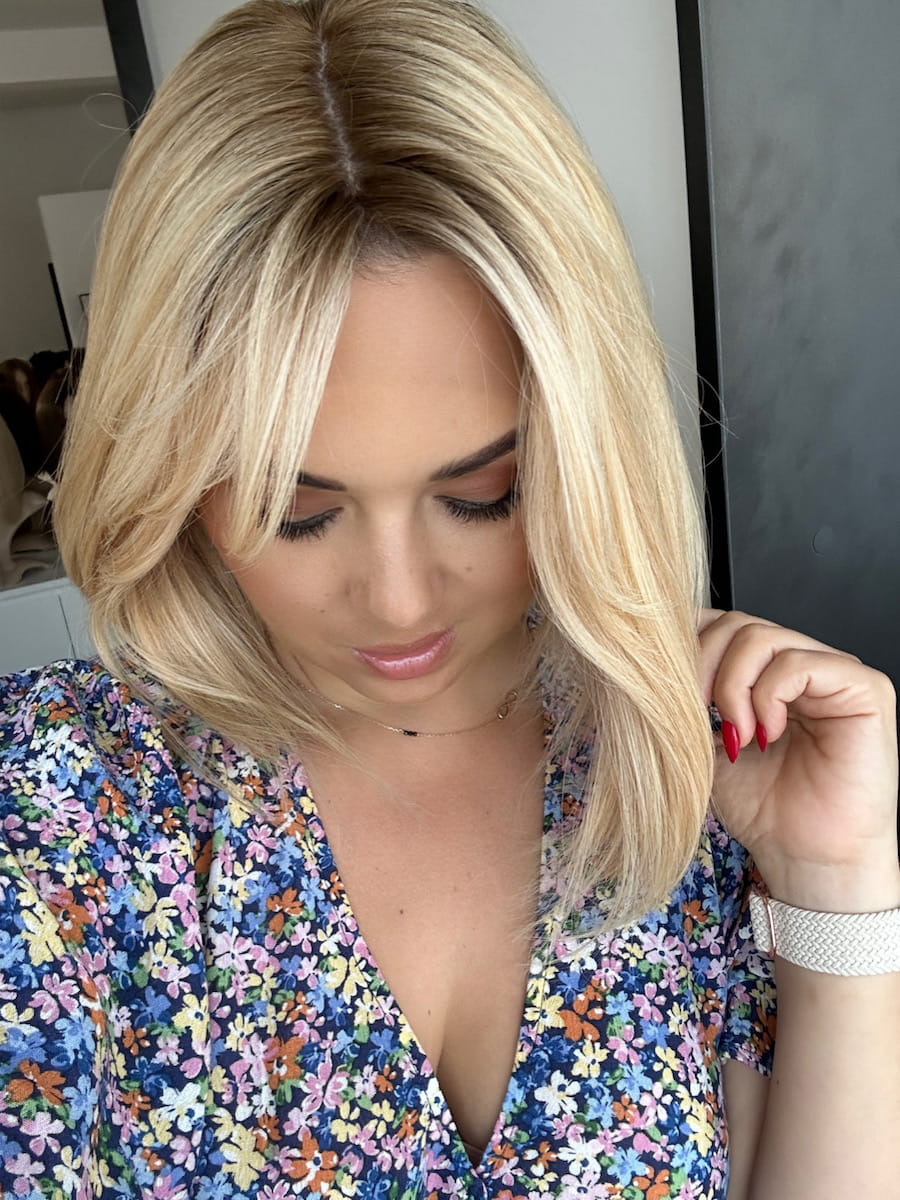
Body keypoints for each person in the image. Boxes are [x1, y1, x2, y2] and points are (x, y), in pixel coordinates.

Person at [0, 1, 897, 1196]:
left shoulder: (672, 765)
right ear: (171, 473)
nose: (399, 599)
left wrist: (835, 877)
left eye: (484, 494)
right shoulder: (57, 805)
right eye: (294, 509)